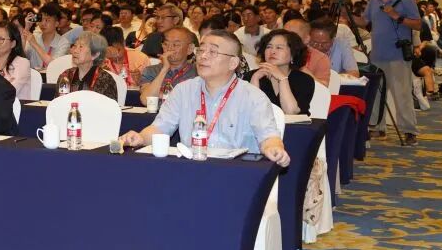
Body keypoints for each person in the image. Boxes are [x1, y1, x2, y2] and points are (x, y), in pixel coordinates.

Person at [119, 31, 292, 167]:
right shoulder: (183, 90)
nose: (203, 56)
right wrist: (141, 137)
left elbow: (268, 136)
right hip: (191, 169)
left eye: (213, 52)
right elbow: (160, 128)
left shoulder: (253, 96)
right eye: (201, 50)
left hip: (236, 173)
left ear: (233, 63)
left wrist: (274, 148)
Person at [351, 0, 422, 144]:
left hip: (398, 56)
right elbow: (364, 22)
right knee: (376, 94)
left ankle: (409, 131)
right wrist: (348, 14)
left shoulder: (406, 0)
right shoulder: (374, 0)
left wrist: (398, 16)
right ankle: (378, 127)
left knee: (402, 95)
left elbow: (418, 24)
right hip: (377, 55)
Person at [247, 30, 315, 115]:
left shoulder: (304, 80)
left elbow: (291, 112)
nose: (272, 51)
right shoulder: (251, 76)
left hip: (294, 124)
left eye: (279, 48)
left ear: (293, 54)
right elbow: (249, 112)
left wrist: (283, 79)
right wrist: (254, 80)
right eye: (269, 47)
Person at [55, 31, 118, 101]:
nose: (75, 51)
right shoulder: (66, 76)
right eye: (75, 46)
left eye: (81, 47)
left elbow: (109, 107)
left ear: (95, 55)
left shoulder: (105, 80)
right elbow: (57, 103)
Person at [139, 27, 198, 100]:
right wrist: (164, 69)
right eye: (166, 44)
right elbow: (145, 99)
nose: (169, 48)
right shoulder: (151, 71)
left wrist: (160, 94)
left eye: (176, 45)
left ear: (190, 49)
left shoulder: (197, 73)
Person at [283, 19, 331, 85]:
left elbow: (323, 87)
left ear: (306, 39)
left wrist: (302, 69)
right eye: (283, 34)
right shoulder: (274, 52)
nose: (285, 39)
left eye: (292, 36)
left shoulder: (320, 58)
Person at [0, 22, 31, 98]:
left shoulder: (22, 63)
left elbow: (9, 92)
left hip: (15, 105)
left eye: (1, 39)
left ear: (13, 44)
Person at [24, 5, 70, 70]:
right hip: (33, 76)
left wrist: (35, 44)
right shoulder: (34, 37)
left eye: (47, 20)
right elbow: (22, 55)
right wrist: (26, 29)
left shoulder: (64, 43)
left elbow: (55, 65)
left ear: (56, 23)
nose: (43, 23)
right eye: (41, 20)